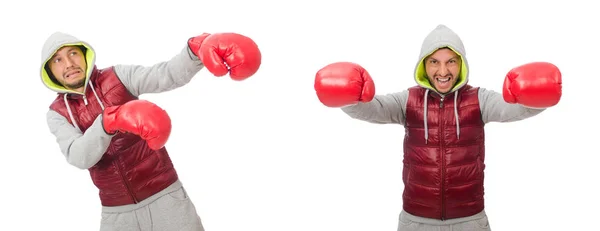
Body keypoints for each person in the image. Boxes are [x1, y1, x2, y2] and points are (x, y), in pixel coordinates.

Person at [313, 24, 562, 231]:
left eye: (451, 61)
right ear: (424, 65)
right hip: (416, 220)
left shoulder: (479, 99)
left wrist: (538, 95)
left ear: (461, 64)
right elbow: (370, 109)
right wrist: (346, 95)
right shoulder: (408, 100)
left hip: (470, 220)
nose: (443, 71)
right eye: (434, 61)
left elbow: (516, 108)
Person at [41, 31, 262, 231]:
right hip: (116, 212)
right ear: (50, 71)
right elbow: (79, 156)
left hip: (165, 196)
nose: (69, 63)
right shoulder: (57, 113)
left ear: (85, 54)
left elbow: (164, 75)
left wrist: (195, 51)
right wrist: (108, 122)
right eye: (58, 60)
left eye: (73, 54)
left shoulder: (117, 77)